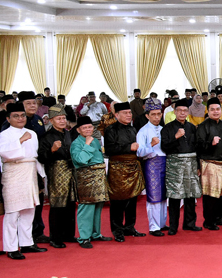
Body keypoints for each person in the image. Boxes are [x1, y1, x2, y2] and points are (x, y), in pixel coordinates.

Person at [0, 102, 46, 259]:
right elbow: (5, 154)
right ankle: (11, 247)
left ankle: (27, 243)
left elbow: (34, 156)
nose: (20, 118)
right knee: (13, 211)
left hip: (30, 172)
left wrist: (42, 175)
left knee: (29, 210)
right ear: (8, 118)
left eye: (22, 115)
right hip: (13, 172)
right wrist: (19, 141)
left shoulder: (31, 133)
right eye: (16, 116)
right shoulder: (4, 135)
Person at [104, 102, 146, 242]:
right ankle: (117, 230)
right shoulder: (111, 130)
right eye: (125, 113)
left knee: (132, 200)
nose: (129, 115)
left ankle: (129, 227)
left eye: (130, 113)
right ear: (117, 115)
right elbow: (109, 150)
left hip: (133, 167)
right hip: (118, 169)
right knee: (118, 201)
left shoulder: (133, 129)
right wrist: (129, 147)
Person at [37, 104, 77, 248]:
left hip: (70, 171)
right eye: (58, 118)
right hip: (56, 173)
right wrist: (52, 150)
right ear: (51, 120)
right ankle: (55, 237)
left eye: (63, 118)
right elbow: (41, 157)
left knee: (70, 204)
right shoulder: (46, 136)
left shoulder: (67, 133)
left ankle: (68, 234)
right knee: (57, 205)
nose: (62, 121)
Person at [160, 98, 202, 234]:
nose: (182, 113)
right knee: (175, 196)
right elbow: (164, 147)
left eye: (185, 111)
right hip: (175, 165)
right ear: (175, 111)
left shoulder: (191, 127)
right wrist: (176, 137)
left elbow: (197, 147)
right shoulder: (167, 128)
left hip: (191, 163)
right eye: (180, 111)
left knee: (190, 195)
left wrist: (198, 165)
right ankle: (173, 227)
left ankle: (189, 224)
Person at [69, 116, 110, 249]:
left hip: (98, 177)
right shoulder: (76, 143)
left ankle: (95, 233)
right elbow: (80, 160)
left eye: (90, 127)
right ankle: (84, 237)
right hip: (86, 178)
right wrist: (86, 144)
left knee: (98, 206)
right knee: (86, 207)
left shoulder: (95, 141)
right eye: (84, 127)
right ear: (78, 130)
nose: (88, 129)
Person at [196, 98, 222, 230]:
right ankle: (209, 221)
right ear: (208, 110)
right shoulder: (202, 126)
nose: (215, 112)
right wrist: (210, 143)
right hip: (209, 164)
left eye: (218, 109)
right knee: (210, 194)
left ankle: (219, 218)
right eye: (212, 109)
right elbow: (198, 146)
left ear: (221, 110)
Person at [136, 99, 168, 236]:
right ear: (147, 116)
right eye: (153, 114)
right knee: (154, 196)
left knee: (163, 195)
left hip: (165, 162)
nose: (156, 117)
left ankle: (162, 223)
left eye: (159, 114)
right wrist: (151, 145)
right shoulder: (142, 131)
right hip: (151, 164)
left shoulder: (163, 129)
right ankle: (153, 226)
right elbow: (139, 152)